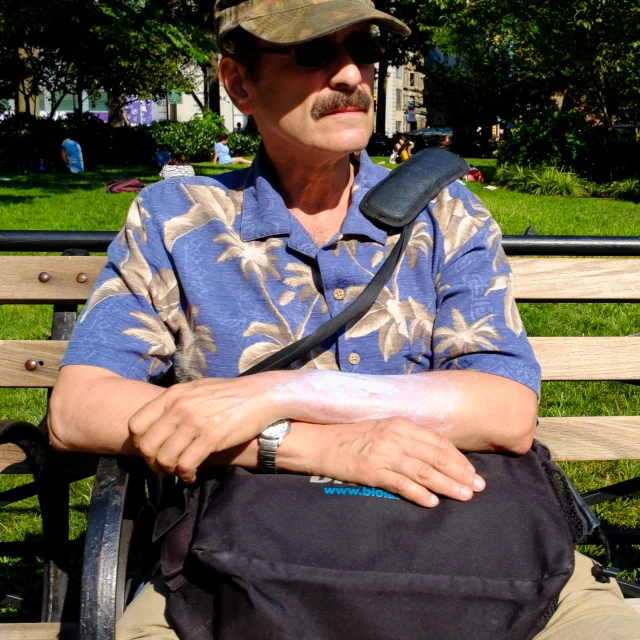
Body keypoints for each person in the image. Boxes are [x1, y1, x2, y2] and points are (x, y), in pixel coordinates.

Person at [49, 1, 640, 639]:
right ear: (238, 83)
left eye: (363, 51)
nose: (351, 75)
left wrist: (275, 393)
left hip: (473, 564)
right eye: (313, 53)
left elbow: (505, 410)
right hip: (240, 578)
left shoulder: (444, 215)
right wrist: (307, 445)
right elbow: (79, 409)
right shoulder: (180, 217)